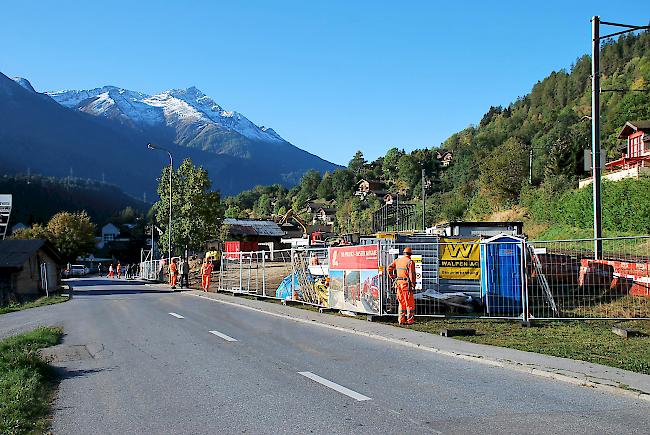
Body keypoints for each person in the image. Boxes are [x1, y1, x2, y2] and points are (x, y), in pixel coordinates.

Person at [387, 247, 416, 325]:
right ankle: (410, 320)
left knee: (401, 302)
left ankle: (401, 320)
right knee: (409, 303)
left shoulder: (397, 260)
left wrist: (392, 276)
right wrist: (413, 285)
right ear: (411, 254)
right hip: (406, 285)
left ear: (404, 253)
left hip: (398, 284)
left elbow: (389, 268)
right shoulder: (410, 262)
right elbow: (412, 275)